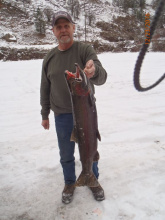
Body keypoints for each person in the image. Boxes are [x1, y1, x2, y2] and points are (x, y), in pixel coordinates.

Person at [40, 11, 107, 204]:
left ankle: (92, 179)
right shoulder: (49, 58)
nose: (63, 30)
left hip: (86, 113)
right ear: (53, 31)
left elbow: (102, 76)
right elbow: (45, 88)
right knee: (66, 152)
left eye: (66, 25)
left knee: (90, 148)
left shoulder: (85, 49)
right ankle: (70, 182)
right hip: (62, 115)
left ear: (73, 27)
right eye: (58, 27)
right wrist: (45, 114)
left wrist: (93, 72)